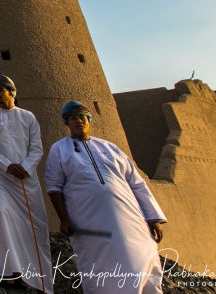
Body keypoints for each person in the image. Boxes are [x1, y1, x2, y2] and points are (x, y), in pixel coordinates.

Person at [45, 101, 167, 294]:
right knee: (105, 267)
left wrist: (153, 217)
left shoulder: (109, 148)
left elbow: (136, 183)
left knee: (144, 260)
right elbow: (53, 186)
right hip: (90, 221)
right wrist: (64, 219)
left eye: (82, 117)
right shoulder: (59, 149)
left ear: (89, 120)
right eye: (73, 118)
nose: (79, 121)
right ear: (66, 123)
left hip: (132, 219)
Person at [0, 75, 53, 292]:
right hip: (1, 177)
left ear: (11, 92)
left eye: (0, 90)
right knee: (3, 214)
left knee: (32, 224)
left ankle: (34, 275)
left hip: (26, 179)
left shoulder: (28, 117)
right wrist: (8, 165)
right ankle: (10, 271)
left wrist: (25, 167)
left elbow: (36, 148)